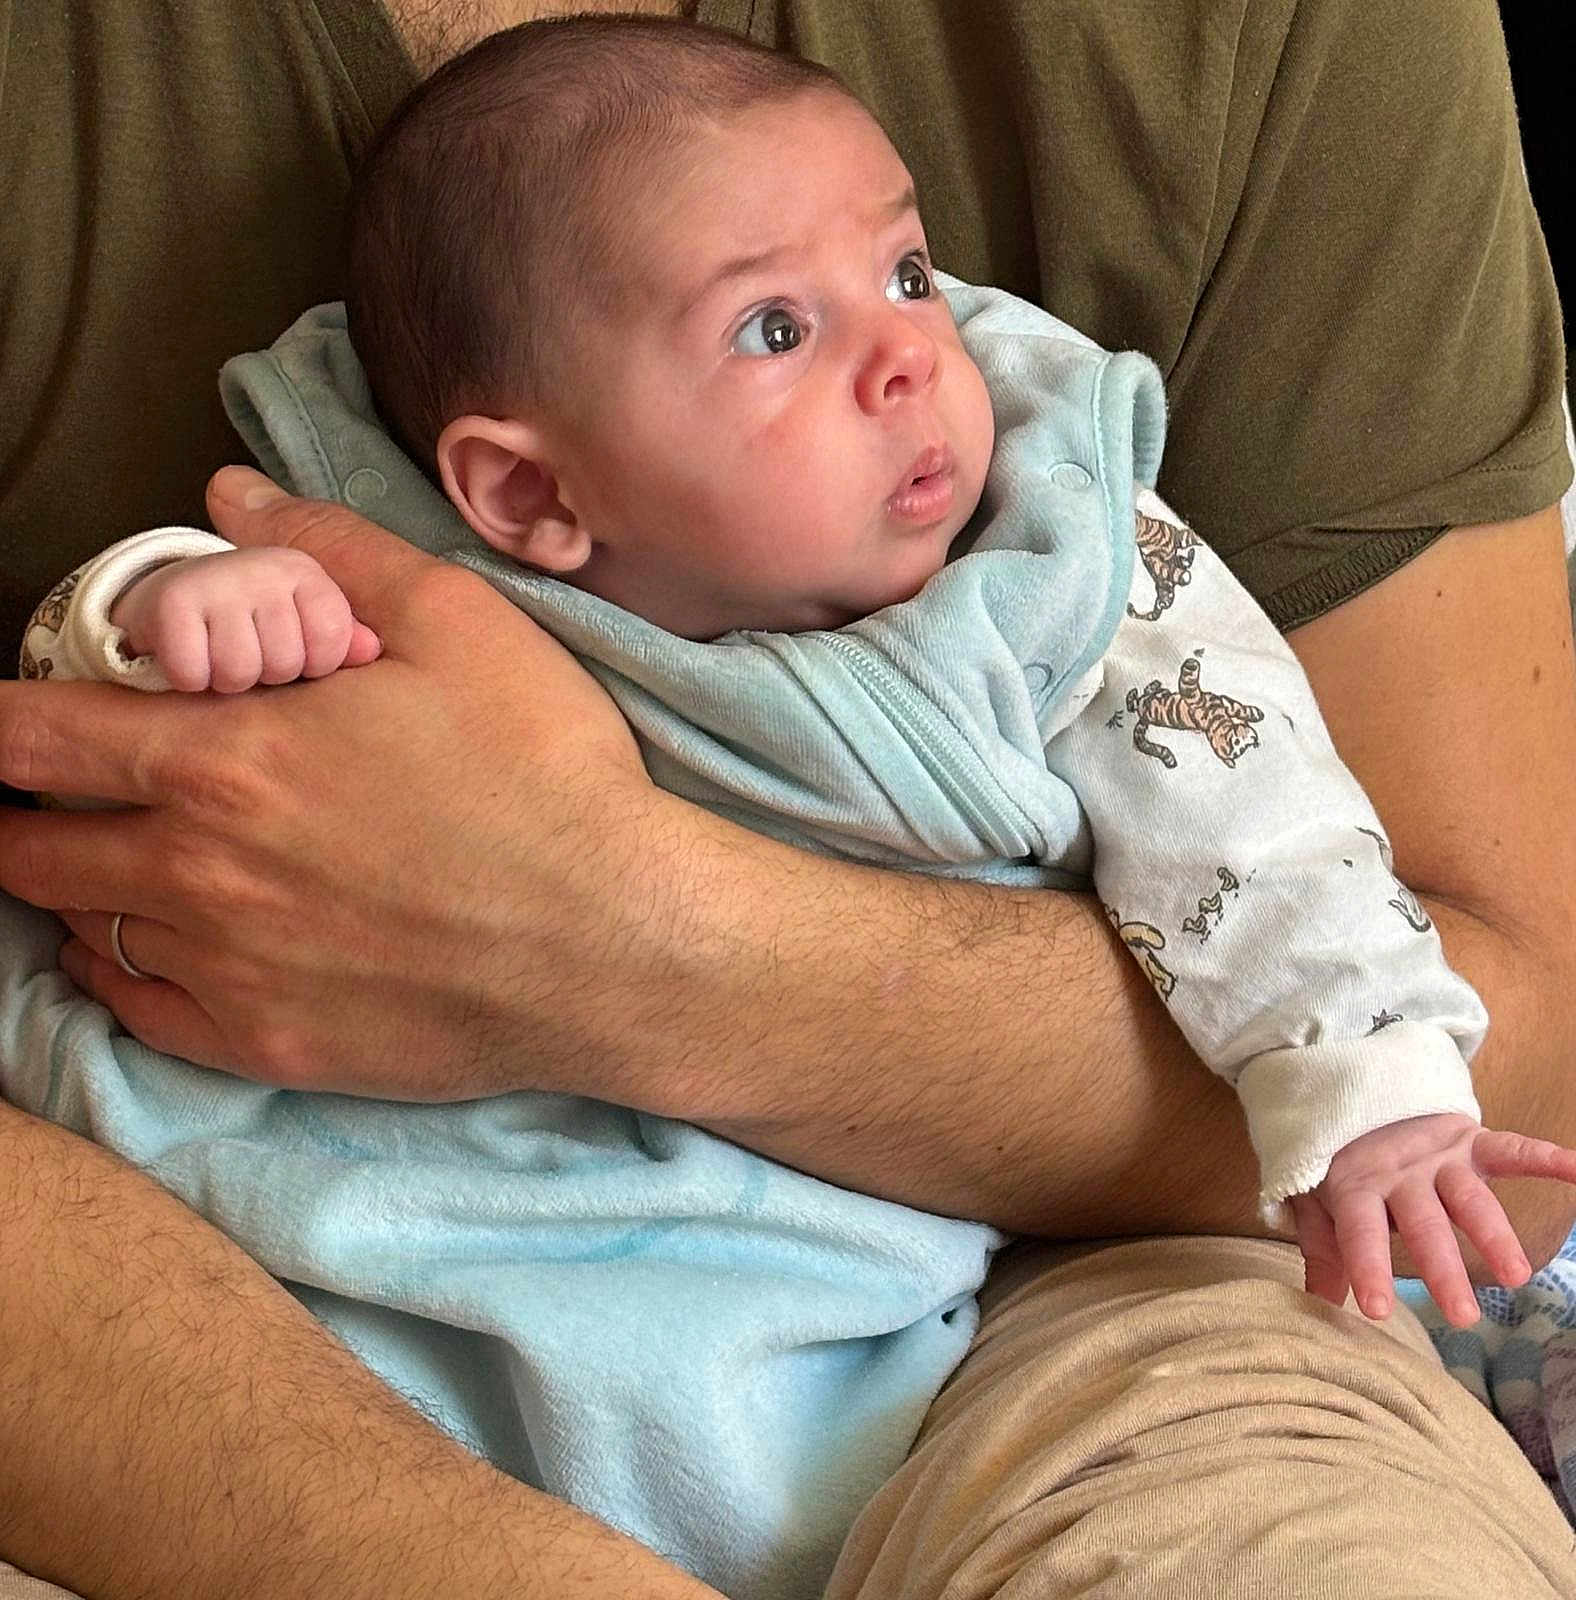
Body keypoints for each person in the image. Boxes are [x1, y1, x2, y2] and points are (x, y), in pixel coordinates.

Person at [1, 3, 1573, 1598]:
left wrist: (1367, 1076)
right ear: (532, 494)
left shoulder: (1045, 571)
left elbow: (1256, 816)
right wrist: (165, 604)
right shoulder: (390, 530)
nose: (911, 350)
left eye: (903, 274)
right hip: (277, 1285)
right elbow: (121, 692)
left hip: (890, 1292)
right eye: (773, 332)